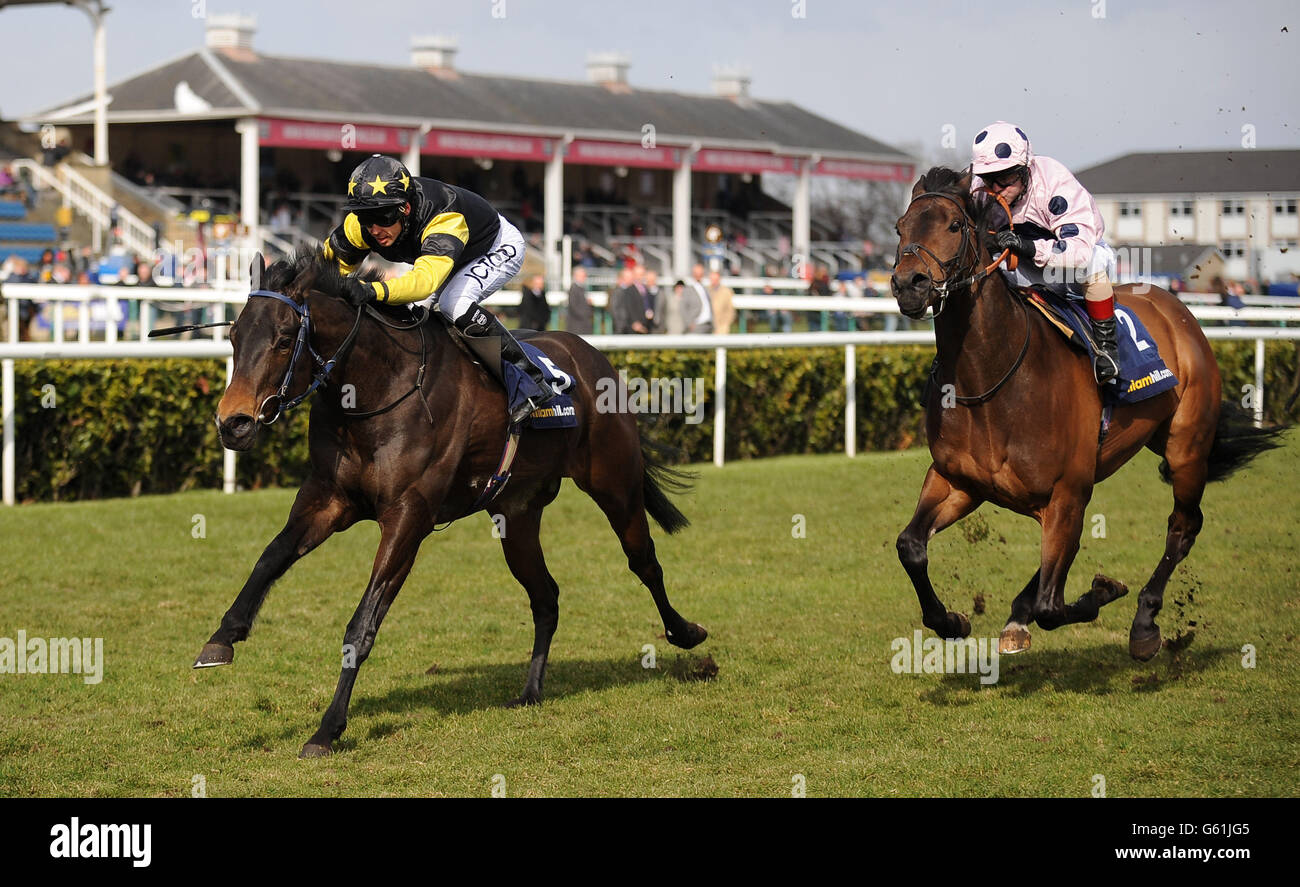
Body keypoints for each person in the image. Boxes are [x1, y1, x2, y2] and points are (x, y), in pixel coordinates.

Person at [322, 154, 555, 426]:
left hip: (494, 246)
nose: (374, 228)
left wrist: (372, 290)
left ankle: (530, 380)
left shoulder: (445, 216)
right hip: (440, 256)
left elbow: (424, 283)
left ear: (405, 209)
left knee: (453, 304)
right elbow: (321, 271)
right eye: (364, 216)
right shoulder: (359, 226)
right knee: (409, 317)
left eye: (382, 216)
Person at [969, 121, 1120, 384]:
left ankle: (1106, 349)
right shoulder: (980, 192)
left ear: (1025, 169)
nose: (995, 188)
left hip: (1072, 269)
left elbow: (1079, 252)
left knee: (1092, 263)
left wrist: (1026, 247)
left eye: (1004, 176)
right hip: (1026, 272)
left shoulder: (1054, 183)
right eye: (988, 179)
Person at [566, 265, 593, 334]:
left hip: (582, 324)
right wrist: (585, 315)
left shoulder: (581, 288)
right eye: (582, 276)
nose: (584, 277)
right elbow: (574, 307)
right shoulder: (574, 289)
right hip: (577, 326)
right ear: (575, 276)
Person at [708, 269, 735, 334]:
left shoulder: (726, 291)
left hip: (722, 326)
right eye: (712, 279)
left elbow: (730, 309)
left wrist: (726, 322)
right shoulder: (707, 290)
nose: (714, 281)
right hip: (710, 325)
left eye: (715, 279)